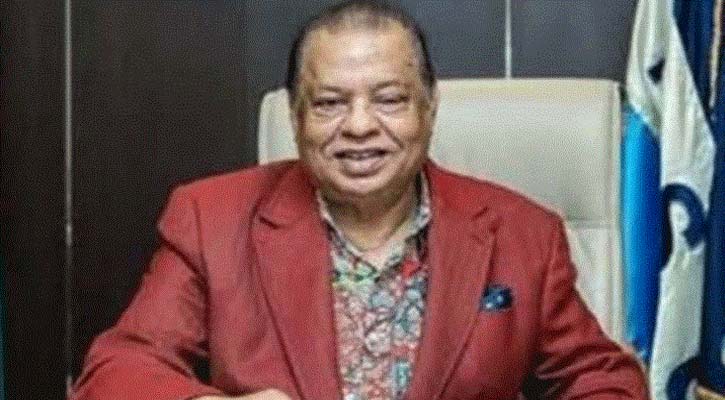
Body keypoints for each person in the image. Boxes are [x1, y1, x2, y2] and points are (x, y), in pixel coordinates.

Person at [71, 1, 648, 399]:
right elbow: (115, 373)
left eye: (390, 99)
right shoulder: (211, 221)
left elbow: (604, 381)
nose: (360, 126)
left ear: (429, 108)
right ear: (296, 118)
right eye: (329, 103)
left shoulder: (522, 233)